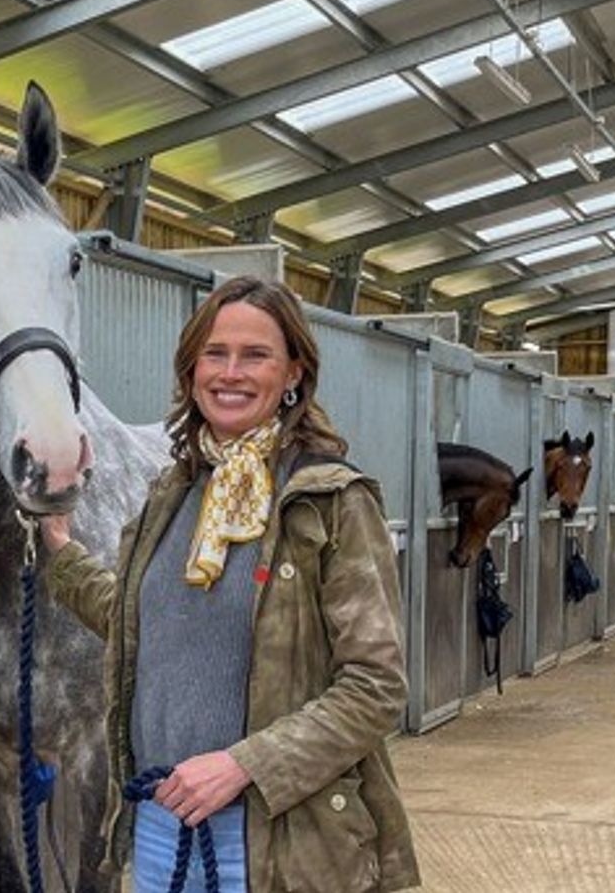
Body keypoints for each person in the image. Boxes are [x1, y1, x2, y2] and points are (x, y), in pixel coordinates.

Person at [38, 277, 420, 892]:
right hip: (162, 828)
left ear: (294, 370)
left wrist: (243, 765)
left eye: (255, 355)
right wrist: (61, 554)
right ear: (191, 370)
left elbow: (376, 687)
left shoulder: (329, 501)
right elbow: (145, 624)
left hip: (279, 845)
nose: (230, 372)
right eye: (214, 354)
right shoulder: (175, 492)